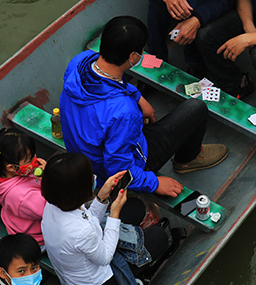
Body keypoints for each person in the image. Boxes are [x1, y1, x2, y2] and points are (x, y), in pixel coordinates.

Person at [59, 16, 228, 198]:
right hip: (108, 171)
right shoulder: (124, 113)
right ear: (132, 56)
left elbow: (107, 82)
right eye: (140, 52)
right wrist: (154, 183)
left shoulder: (80, 62)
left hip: (82, 153)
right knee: (196, 108)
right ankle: (188, 159)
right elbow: (117, 168)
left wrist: (136, 95)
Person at [41, 152, 169, 285]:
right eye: (90, 177)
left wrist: (102, 197)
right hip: (101, 282)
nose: (94, 178)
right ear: (79, 191)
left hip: (82, 259)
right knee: (159, 237)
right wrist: (114, 213)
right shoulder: (81, 231)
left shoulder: (53, 205)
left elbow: (88, 218)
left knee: (135, 207)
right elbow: (106, 257)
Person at [0, 128, 47, 248]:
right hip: (37, 238)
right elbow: (51, 210)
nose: (35, 160)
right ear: (11, 167)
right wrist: (48, 180)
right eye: (29, 159)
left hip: (18, 220)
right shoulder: (21, 196)